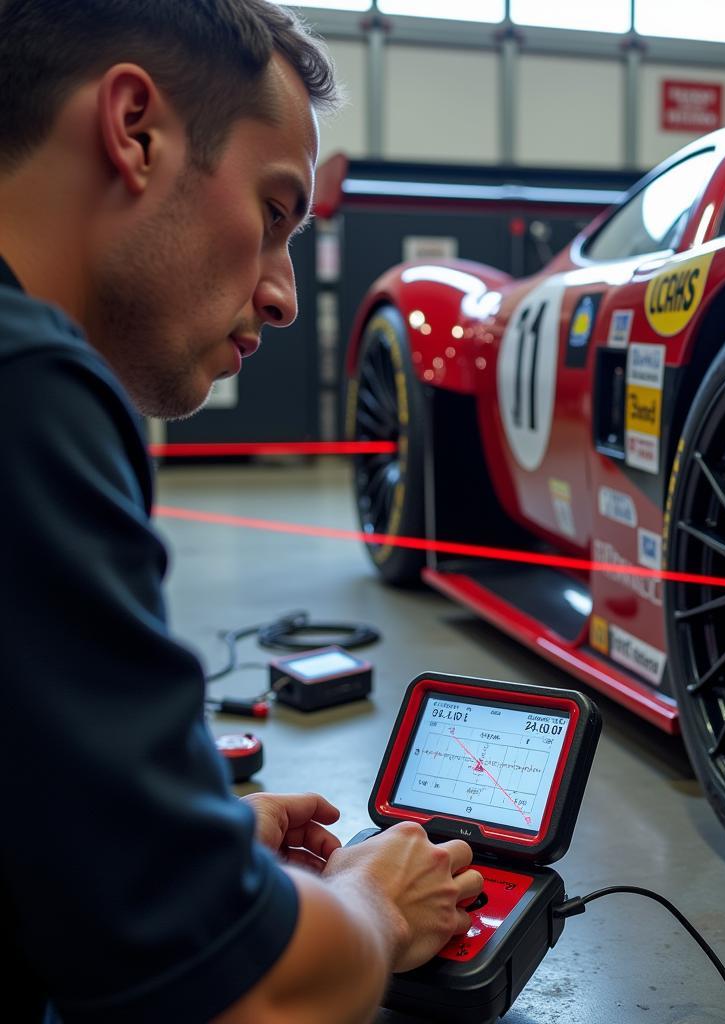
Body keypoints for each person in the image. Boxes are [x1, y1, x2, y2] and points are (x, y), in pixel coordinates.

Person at [0, 2, 484, 1022]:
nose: (282, 296)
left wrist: (162, 833)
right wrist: (367, 904)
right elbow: (249, 994)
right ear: (134, 131)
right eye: (272, 215)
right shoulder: (31, 391)